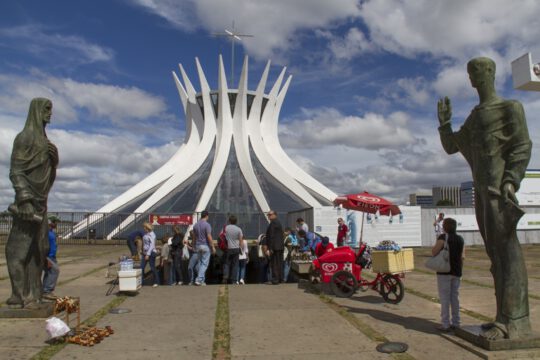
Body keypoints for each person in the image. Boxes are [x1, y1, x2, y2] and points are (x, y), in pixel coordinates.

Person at [438, 57, 533, 340]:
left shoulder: (510, 108)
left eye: (476, 71)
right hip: (481, 193)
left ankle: (516, 322)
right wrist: (444, 124)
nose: (472, 77)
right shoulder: (476, 117)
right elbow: (452, 146)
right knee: (495, 257)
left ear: (490, 72)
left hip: (498, 192)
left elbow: (522, 145)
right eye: (469, 73)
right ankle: (502, 317)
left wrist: (511, 180)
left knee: (508, 253)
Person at [5, 98, 58, 308]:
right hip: (27, 207)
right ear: (36, 111)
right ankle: (19, 295)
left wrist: (54, 162)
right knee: (16, 252)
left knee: (39, 250)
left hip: (41, 205)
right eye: (46, 110)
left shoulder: (46, 144)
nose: (50, 114)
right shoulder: (24, 138)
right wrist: (25, 200)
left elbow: (47, 178)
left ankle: (34, 296)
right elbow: (16, 171)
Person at [431, 218, 465, 332]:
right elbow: (463, 257)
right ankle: (456, 322)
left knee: (444, 298)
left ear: (445, 227)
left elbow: (434, 252)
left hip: (444, 272)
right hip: (457, 271)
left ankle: (445, 324)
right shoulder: (460, 239)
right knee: (455, 297)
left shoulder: (443, 238)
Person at [193, 211, 216, 286]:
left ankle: (202, 281)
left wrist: (193, 245)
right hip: (205, 246)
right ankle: (199, 279)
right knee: (204, 264)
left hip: (198, 245)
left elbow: (194, 237)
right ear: (206, 216)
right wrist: (212, 246)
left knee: (200, 263)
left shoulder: (195, 225)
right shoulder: (207, 225)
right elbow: (209, 236)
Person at [222, 215, 244, 284]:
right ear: (236, 221)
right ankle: (234, 280)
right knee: (235, 265)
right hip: (236, 249)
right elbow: (241, 240)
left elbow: (222, 236)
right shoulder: (239, 229)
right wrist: (241, 248)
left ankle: (225, 276)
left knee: (227, 263)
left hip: (228, 248)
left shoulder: (226, 228)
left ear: (229, 221)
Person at [42, 220, 60, 300]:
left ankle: (45, 291)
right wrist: (45, 258)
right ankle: (47, 291)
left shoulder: (52, 232)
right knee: (54, 271)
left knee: (49, 272)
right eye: (54, 222)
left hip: (52, 256)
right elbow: (42, 246)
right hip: (48, 256)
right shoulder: (45, 233)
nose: (55, 224)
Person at [265, 210, 284, 285]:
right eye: (268, 215)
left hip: (275, 247)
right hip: (279, 246)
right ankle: (280, 278)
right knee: (279, 263)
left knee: (274, 263)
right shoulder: (278, 222)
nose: (268, 216)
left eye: (270, 214)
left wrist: (270, 248)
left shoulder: (273, 223)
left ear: (275, 215)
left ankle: (275, 279)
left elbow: (271, 236)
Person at [140, 222, 159, 287]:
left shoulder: (152, 234)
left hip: (151, 253)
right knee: (141, 267)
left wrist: (148, 254)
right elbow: (144, 244)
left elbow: (152, 245)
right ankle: (141, 282)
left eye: (144, 227)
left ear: (147, 228)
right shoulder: (145, 234)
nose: (143, 229)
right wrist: (142, 251)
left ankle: (156, 281)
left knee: (152, 267)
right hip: (144, 253)